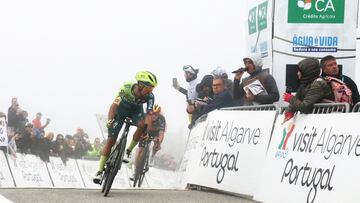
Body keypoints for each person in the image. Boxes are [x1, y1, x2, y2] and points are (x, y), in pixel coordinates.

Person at [93, 70, 158, 184]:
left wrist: (145, 131)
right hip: (121, 111)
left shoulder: (150, 97)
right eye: (149, 88)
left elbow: (148, 115)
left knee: (143, 124)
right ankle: (99, 171)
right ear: (140, 85)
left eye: (152, 89)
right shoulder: (126, 87)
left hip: (136, 112)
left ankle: (128, 150)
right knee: (110, 142)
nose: (150, 91)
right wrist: (110, 120)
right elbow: (114, 105)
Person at [282, 58, 334, 123]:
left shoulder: (318, 84)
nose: (297, 73)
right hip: (316, 119)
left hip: (324, 120)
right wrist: (289, 111)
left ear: (307, 71)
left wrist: (290, 98)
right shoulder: (305, 84)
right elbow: (298, 98)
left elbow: (305, 107)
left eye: (299, 71)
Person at [131, 104, 166, 180]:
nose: (154, 116)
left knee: (157, 144)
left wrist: (158, 142)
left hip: (155, 133)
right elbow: (140, 128)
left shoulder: (162, 119)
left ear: (158, 114)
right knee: (140, 150)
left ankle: (152, 156)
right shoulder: (146, 116)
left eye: (156, 114)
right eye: (152, 114)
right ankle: (135, 171)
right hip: (146, 131)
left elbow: (161, 134)